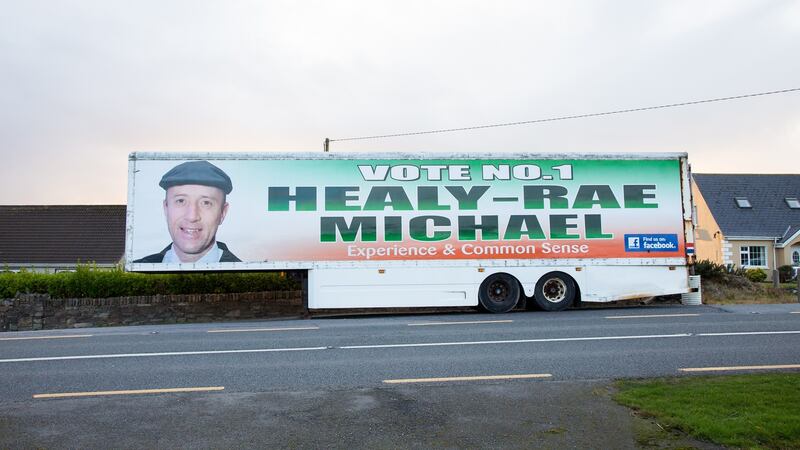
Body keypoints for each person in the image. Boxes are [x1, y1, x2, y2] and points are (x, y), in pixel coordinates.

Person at [134, 160, 241, 263]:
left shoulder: (247, 275)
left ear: (223, 213)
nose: (192, 216)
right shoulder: (134, 271)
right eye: (180, 201)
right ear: (166, 208)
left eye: (206, 203)